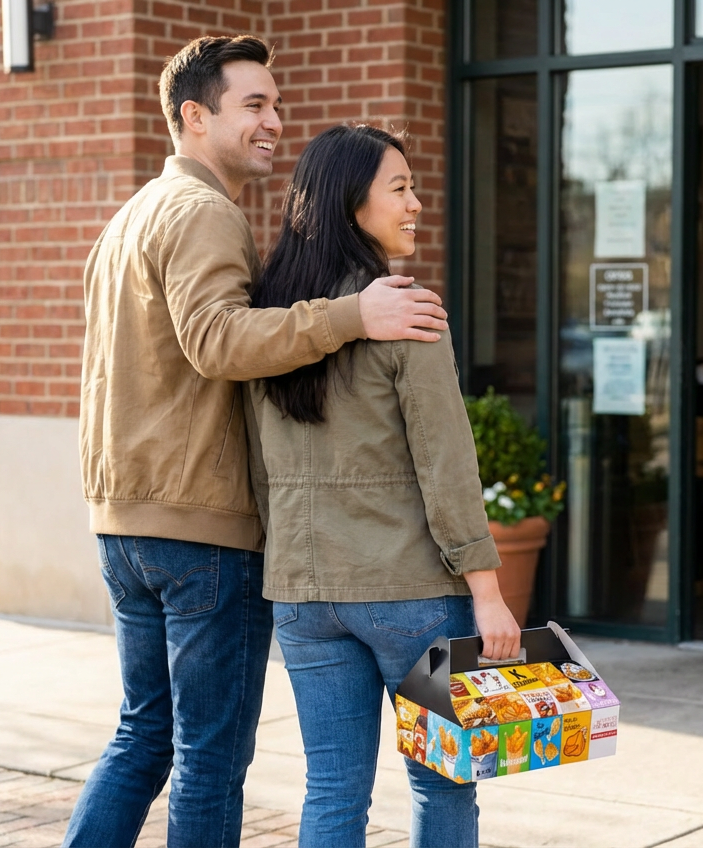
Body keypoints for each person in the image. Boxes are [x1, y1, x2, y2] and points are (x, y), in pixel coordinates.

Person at [66, 37, 449, 848]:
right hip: (201, 528)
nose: (275, 120)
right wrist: (353, 314)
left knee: (143, 735)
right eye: (254, 105)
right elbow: (219, 341)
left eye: (276, 104)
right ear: (194, 116)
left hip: (124, 523)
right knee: (207, 759)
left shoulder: (128, 217)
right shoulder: (205, 212)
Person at [243, 124, 521, 848]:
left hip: (303, 594)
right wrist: (488, 591)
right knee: (443, 781)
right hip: (409, 592)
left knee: (333, 788)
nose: (417, 203)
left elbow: (257, 465)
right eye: (399, 188)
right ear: (350, 203)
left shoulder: (269, 319)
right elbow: (446, 461)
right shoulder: (407, 309)